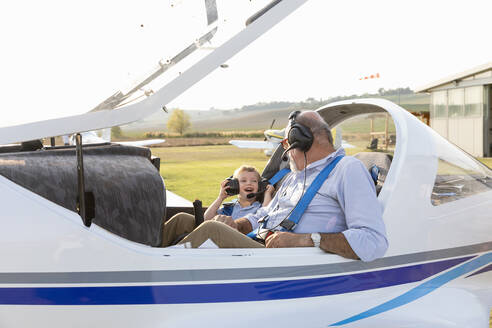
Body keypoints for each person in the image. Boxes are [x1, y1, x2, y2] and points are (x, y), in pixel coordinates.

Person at [178, 110, 388, 262]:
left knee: (212, 230)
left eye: (286, 143)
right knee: (183, 221)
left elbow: (373, 241)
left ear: (302, 141)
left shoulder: (346, 169)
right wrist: (238, 225)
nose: (285, 150)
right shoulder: (294, 177)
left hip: (283, 260)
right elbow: (265, 214)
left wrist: (305, 240)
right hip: (262, 242)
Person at [160, 165, 274, 247]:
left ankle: (172, 255)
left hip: (239, 240)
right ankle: (155, 245)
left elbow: (266, 211)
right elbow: (206, 219)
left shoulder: (258, 207)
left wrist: (267, 193)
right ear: (233, 185)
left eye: (253, 181)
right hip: (218, 233)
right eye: (243, 180)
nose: (249, 183)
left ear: (260, 186)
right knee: (182, 218)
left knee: (211, 227)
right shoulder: (231, 207)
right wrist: (220, 198)